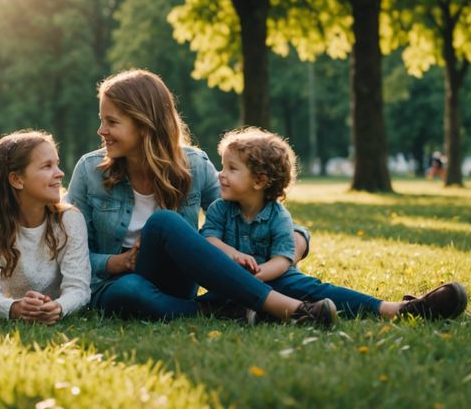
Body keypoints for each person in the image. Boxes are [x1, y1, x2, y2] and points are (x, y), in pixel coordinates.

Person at [66, 69, 336, 325]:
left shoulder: (193, 166)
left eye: (111, 122)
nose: (101, 131)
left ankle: (283, 306)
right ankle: (244, 309)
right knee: (131, 289)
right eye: (102, 120)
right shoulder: (89, 171)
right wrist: (118, 262)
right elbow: (70, 253)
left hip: (177, 281)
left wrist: (297, 236)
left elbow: (244, 210)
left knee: (164, 223)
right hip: (116, 284)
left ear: (144, 124)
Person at [202, 127, 468, 321]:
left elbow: (284, 260)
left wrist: (258, 274)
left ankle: (396, 309)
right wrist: (235, 258)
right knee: (210, 303)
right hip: (230, 284)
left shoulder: (278, 216)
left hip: (276, 280)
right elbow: (209, 241)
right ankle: (261, 313)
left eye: (230, 169)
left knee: (316, 290)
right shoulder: (219, 209)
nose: (220, 175)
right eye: (222, 167)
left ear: (259, 181)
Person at [0, 131, 90, 323]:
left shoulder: (70, 220)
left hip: (50, 301)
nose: (60, 173)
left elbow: (79, 288)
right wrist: (13, 308)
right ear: (17, 179)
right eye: (47, 166)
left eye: (57, 164)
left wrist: (59, 307)